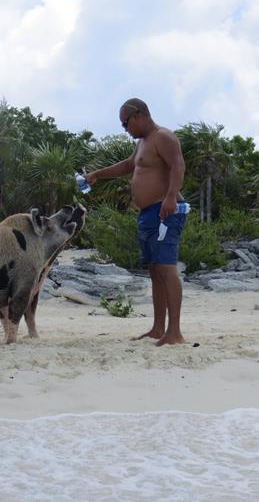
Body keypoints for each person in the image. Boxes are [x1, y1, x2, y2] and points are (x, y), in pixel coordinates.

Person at [86, 98, 187, 346]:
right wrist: (98, 175)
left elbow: (178, 165)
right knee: (155, 270)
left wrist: (171, 197)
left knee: (166, 268)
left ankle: (174, 332)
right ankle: (157, 328)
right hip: (147, 214)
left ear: (139, 115)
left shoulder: (163, 137)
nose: (125, 129)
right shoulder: (143, 143)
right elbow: (130, 165)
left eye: (125, 123)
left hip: (165, 211)